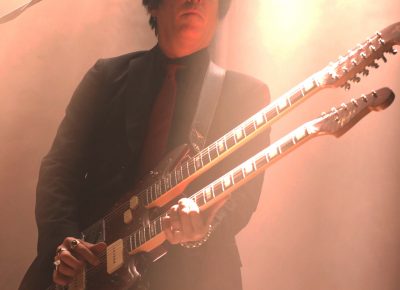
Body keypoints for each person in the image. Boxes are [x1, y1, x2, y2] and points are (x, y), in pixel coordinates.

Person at [19, 0, 270, 289]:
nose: (195, 0)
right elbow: (59, 169)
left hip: (192, 276)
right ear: (154, 6)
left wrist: (205, 227)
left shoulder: (246, 95)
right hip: (89, 269)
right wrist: (62, 244)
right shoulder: (107, 77)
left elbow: (242, 195)